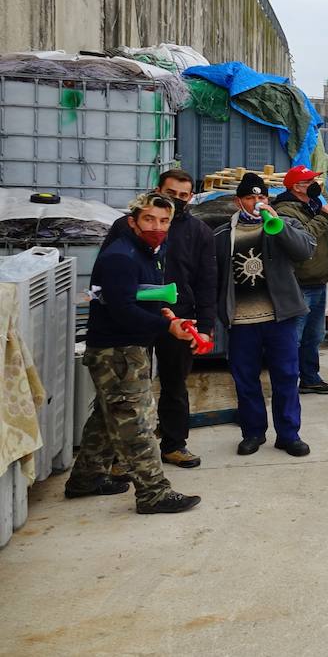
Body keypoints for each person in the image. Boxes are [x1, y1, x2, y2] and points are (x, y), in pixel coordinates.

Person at [67, 193, 202, 513]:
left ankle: (85, 480)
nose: (157, 226)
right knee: (137, 423)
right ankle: (153, 493)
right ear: (133, 221)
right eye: (149, 219)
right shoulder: (121, 257)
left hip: (127, 346)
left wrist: (166, 312)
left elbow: (138, 292)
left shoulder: (149, 250)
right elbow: (121, 308)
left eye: (164, 221)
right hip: (117, 351)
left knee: (105, 417)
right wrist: (166, 326)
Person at [98, 169, 215, 469]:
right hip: (136, 318)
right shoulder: (127, 226)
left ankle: (174, 444)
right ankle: (118, 456)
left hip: (179, 318)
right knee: (125, 389)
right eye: (170, 193)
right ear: (157, 190)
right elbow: (107, 274)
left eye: (183, 195)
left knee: (175, 384)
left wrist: (205, 326)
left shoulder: (199, 231)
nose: (175, 200)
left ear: (191, 197)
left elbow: (206, 281)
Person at [215, 173, 317, 456]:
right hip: (241, 322)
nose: (256, 202)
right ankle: (253, 433)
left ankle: (288, 434)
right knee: (245, 379)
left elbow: (305, 250)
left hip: (279, 318)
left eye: (261, 197)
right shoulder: (223, 235)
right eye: (250, 198)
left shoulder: (285, 224)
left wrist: (279, 225)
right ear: (239, 202)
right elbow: (216, 278)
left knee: (286, 376)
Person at [271, 165, 328, 395]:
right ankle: (287, 381)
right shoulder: (284, 211)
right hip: (300, 283)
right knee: (294, 337)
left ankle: (309, 377)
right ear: (297, 187)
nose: (314, 185)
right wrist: (323, 216)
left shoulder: (311, 204)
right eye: (309, 182)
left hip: (318, 279)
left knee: (314, 335)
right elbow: (302, 238)